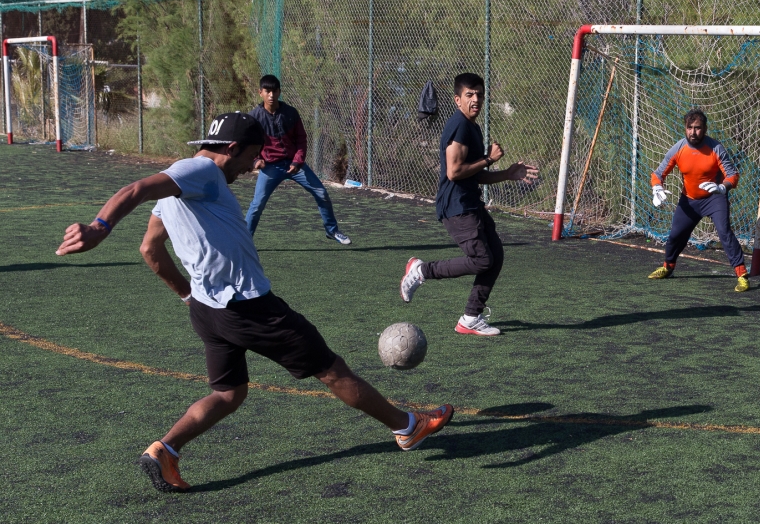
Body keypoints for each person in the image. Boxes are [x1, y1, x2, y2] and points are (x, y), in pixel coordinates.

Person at [55, 112, 452, 493]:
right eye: (251, 155)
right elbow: (134, 190)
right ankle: (407, 428)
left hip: (209, 312)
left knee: (229, 393)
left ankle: (165, 450)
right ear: (231, 147)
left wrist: (187, 295)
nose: (254, 164)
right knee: (331, 369)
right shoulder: (204, 172)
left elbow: (150, 248)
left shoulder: (178, 182)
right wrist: (98, 227)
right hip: (250, 308)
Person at [399, 73, 538, 336]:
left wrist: (507, 173)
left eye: (479, 94)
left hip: (471, 202)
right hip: (456, 206)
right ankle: (421, 271)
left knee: (494, 256)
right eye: (469, 95)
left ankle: (471, 317)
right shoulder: (460, 125)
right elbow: (454, 171)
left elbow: (475, 174)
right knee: (482, 259)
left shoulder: (472, 127)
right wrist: (488, 159)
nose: (476, 99)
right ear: (457, 99)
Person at [647, 109, 750, 292]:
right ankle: (668, 267)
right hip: (689, 200)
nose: (693, 132)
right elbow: (658, 173)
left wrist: (722, 187)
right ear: (685, 128)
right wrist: (656, 187)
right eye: (690, 128)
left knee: (724, 232)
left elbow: (732, 175)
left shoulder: (716, 148)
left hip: (714, 199)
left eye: (697, 128)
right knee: (675, 236)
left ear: (705, 129)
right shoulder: (678, 149)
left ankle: (742, 275)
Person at [245, 75, 350, 244]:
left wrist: (297, 161)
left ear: (279, 92)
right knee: (257, 205)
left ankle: (332, 231)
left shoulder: (291, 113)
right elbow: (248, 143)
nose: (271, 95)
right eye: (267, 91)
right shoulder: (254, 117)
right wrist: (256, 160)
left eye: (274, 91)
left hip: (294, 165)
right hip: (270, 168)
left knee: (321, 193)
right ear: (260, 93)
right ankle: (245, 241)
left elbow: (301, 139)